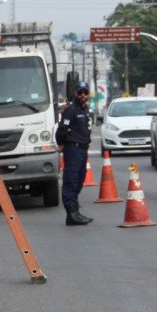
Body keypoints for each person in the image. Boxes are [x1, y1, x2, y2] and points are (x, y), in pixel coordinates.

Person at [55, 80, 94, 226]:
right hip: (73, 149)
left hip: (83, 149)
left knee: (79, 179)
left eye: (85, 93)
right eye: (80, 93)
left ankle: (75, 210)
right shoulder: (70, 110)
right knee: (71, 181)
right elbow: (62, 130)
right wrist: (61, 143)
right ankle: (71, 213)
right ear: (75, 94)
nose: (83, 95)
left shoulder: (84, 110)